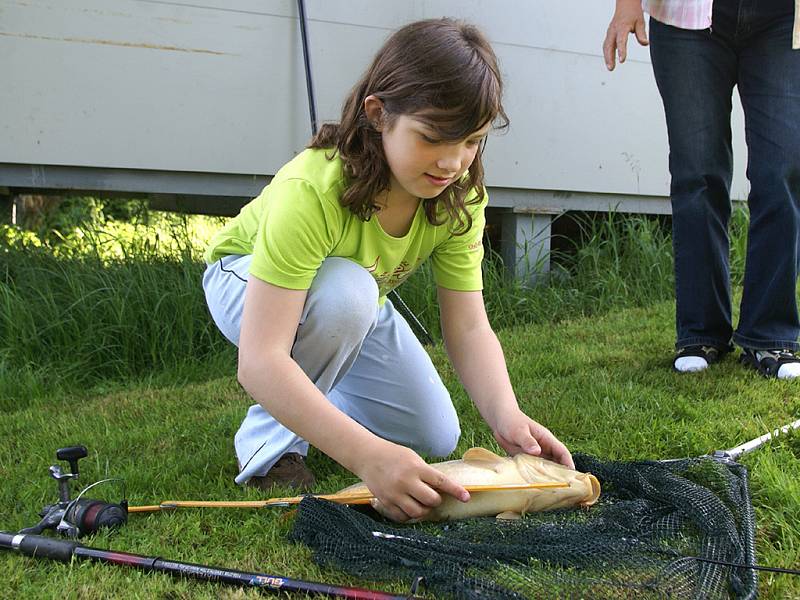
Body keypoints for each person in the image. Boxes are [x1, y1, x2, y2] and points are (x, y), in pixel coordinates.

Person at [202, 18, 574, 523]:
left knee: (434, 435)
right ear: (378, 114)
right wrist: (367, 457)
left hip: (350, 300)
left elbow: (467, 326)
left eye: (472, 141)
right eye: (432, 137)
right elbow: (260, 359)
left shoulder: (459, 198)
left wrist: (507, 417)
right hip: (243, 279)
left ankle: (316, 410)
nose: (452, 161)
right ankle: (268, 449)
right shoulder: (313, 190)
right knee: (348, 295)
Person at [603, 0, 800, 379]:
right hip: (685, 19)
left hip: (784, 18)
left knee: (783, 170)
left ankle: (770, 333)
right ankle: (701, 332)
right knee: (698, 174)